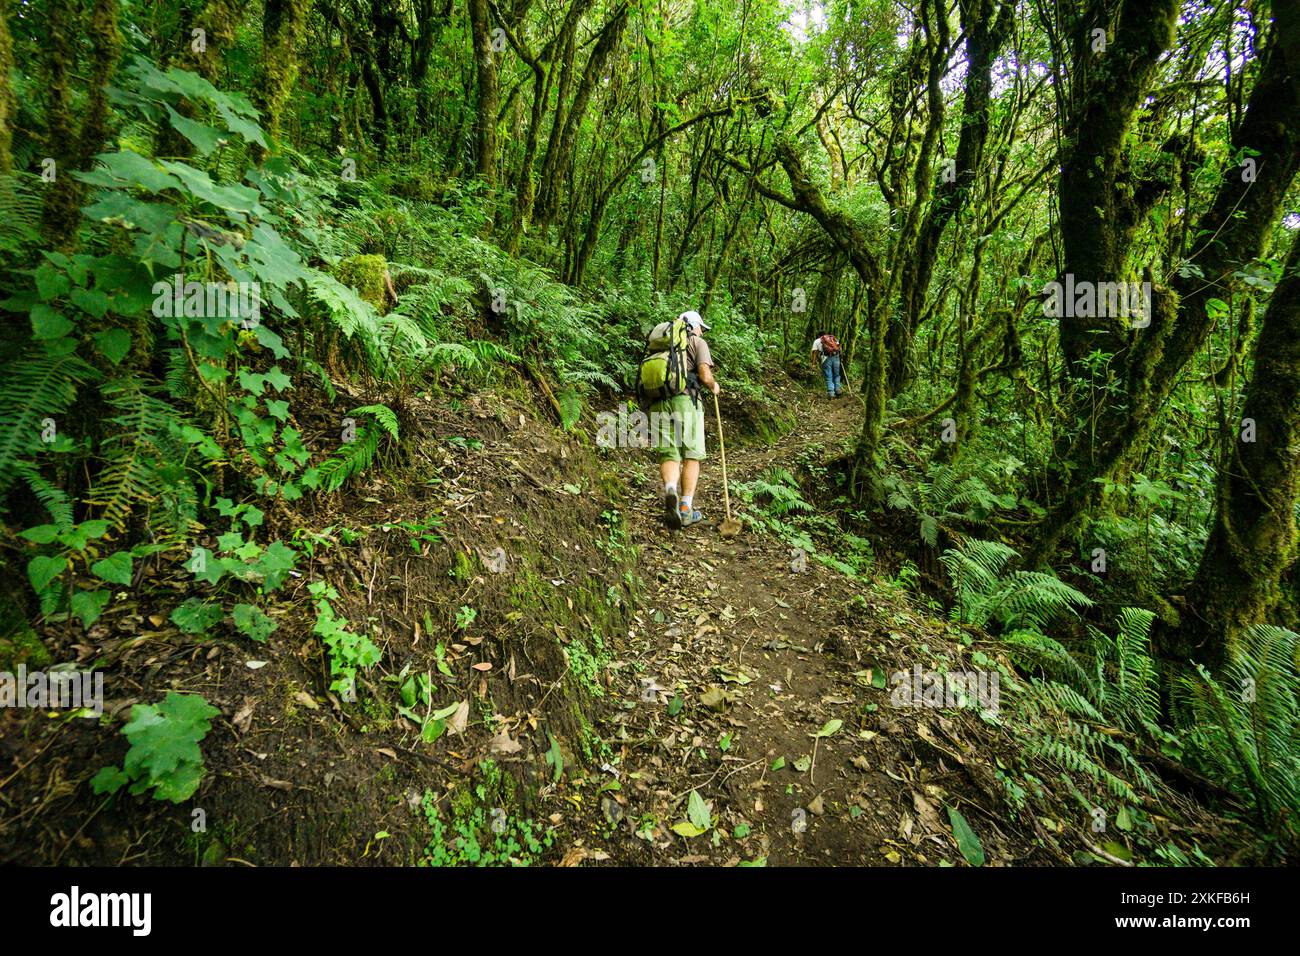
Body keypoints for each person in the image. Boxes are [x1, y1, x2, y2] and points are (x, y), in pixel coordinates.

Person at [653, 310, 719, 528]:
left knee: (669, 452)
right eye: (702, 327)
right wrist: (714, 386)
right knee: (691, 454)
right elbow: (704, 374)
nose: (703, 332)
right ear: (693, 326)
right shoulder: (697, 342)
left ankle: (670, 488)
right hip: (686, 401)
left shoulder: (663, 343)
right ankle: (685, 508)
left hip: (659, 401)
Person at [811, 330, 844, 398]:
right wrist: (841, 358)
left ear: (819, 336)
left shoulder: (817, 341)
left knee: (828, 375)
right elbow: (839, 348)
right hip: (836, 357)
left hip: (826, 358)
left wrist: (813, 364)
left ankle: (831, 393)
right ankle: (837, 390)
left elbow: (814, 352)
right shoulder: (832, 338)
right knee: (837, 374)